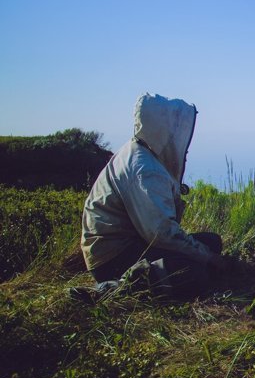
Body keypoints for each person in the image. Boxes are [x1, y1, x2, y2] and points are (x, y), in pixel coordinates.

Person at [76, 93, 233, 301]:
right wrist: (207, 258)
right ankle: (116, 289)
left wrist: (206, 253)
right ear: (164, 128)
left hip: (129, 244)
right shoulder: (144, 169)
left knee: (212, 242)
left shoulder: (139, 151)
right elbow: (161, 234)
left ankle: (149, 274)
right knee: (195, 273)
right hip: (113, 257)